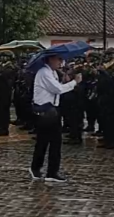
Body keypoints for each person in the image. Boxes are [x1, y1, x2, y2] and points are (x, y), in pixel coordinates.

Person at [30, 53, 81, 183]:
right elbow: (57, 89)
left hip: (51, 110)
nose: (60, 62)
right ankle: (51, 172)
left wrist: (65, 80)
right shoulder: (44, 72)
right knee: (53, 142)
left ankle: (36, 168)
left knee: (44, 141)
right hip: (46, 111)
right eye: (58, 59)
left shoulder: (51, 72)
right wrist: (74, 82)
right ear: (50, 59)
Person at [97, 48, 114, 149]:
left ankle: (111, 141)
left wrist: (104, 72)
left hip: (112, 97)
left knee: (110, 120)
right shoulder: (105, 66)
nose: (106, 57)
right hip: (103, 96)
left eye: (109, 55)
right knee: (103, 119)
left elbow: (112, 81)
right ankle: (106, 138)